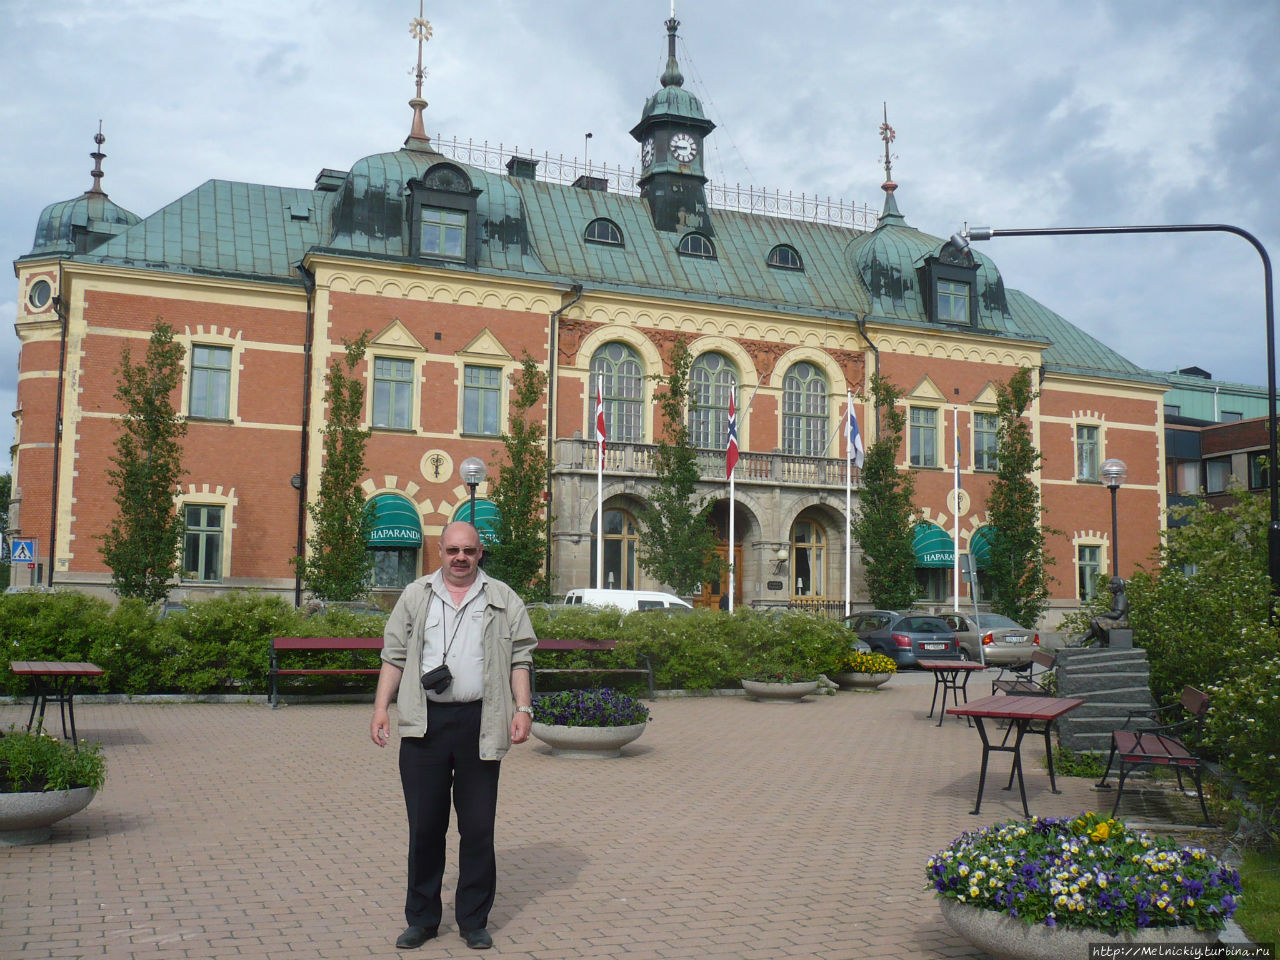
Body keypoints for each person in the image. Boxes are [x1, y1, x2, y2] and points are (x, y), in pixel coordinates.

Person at [371, 521, 537, 951]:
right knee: (425, 827)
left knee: (478, 828)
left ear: (480, 553)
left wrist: (522, 709)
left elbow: (521, 658)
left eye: (469, 551)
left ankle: (473, 920)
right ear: (439, 552)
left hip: (480, 723)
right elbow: (393, 655)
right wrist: (380, 709)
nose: (460, 558)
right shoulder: (415, 595)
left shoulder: (502, 598)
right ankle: (422, 919)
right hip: (425, 724)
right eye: (452, 551)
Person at [1080, 576, 1129, 647]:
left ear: (1119, 586)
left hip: (1122, 623)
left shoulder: (1121, 598)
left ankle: (1100, 641)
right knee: (1096, 624)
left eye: (1113, 584)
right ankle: (1080, 641)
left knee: (1095, 621)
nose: (1110, 586)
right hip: (1116, 621)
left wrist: (1102, 616)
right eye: (1110, 584)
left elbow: (1117, 614)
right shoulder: (1115, 598)